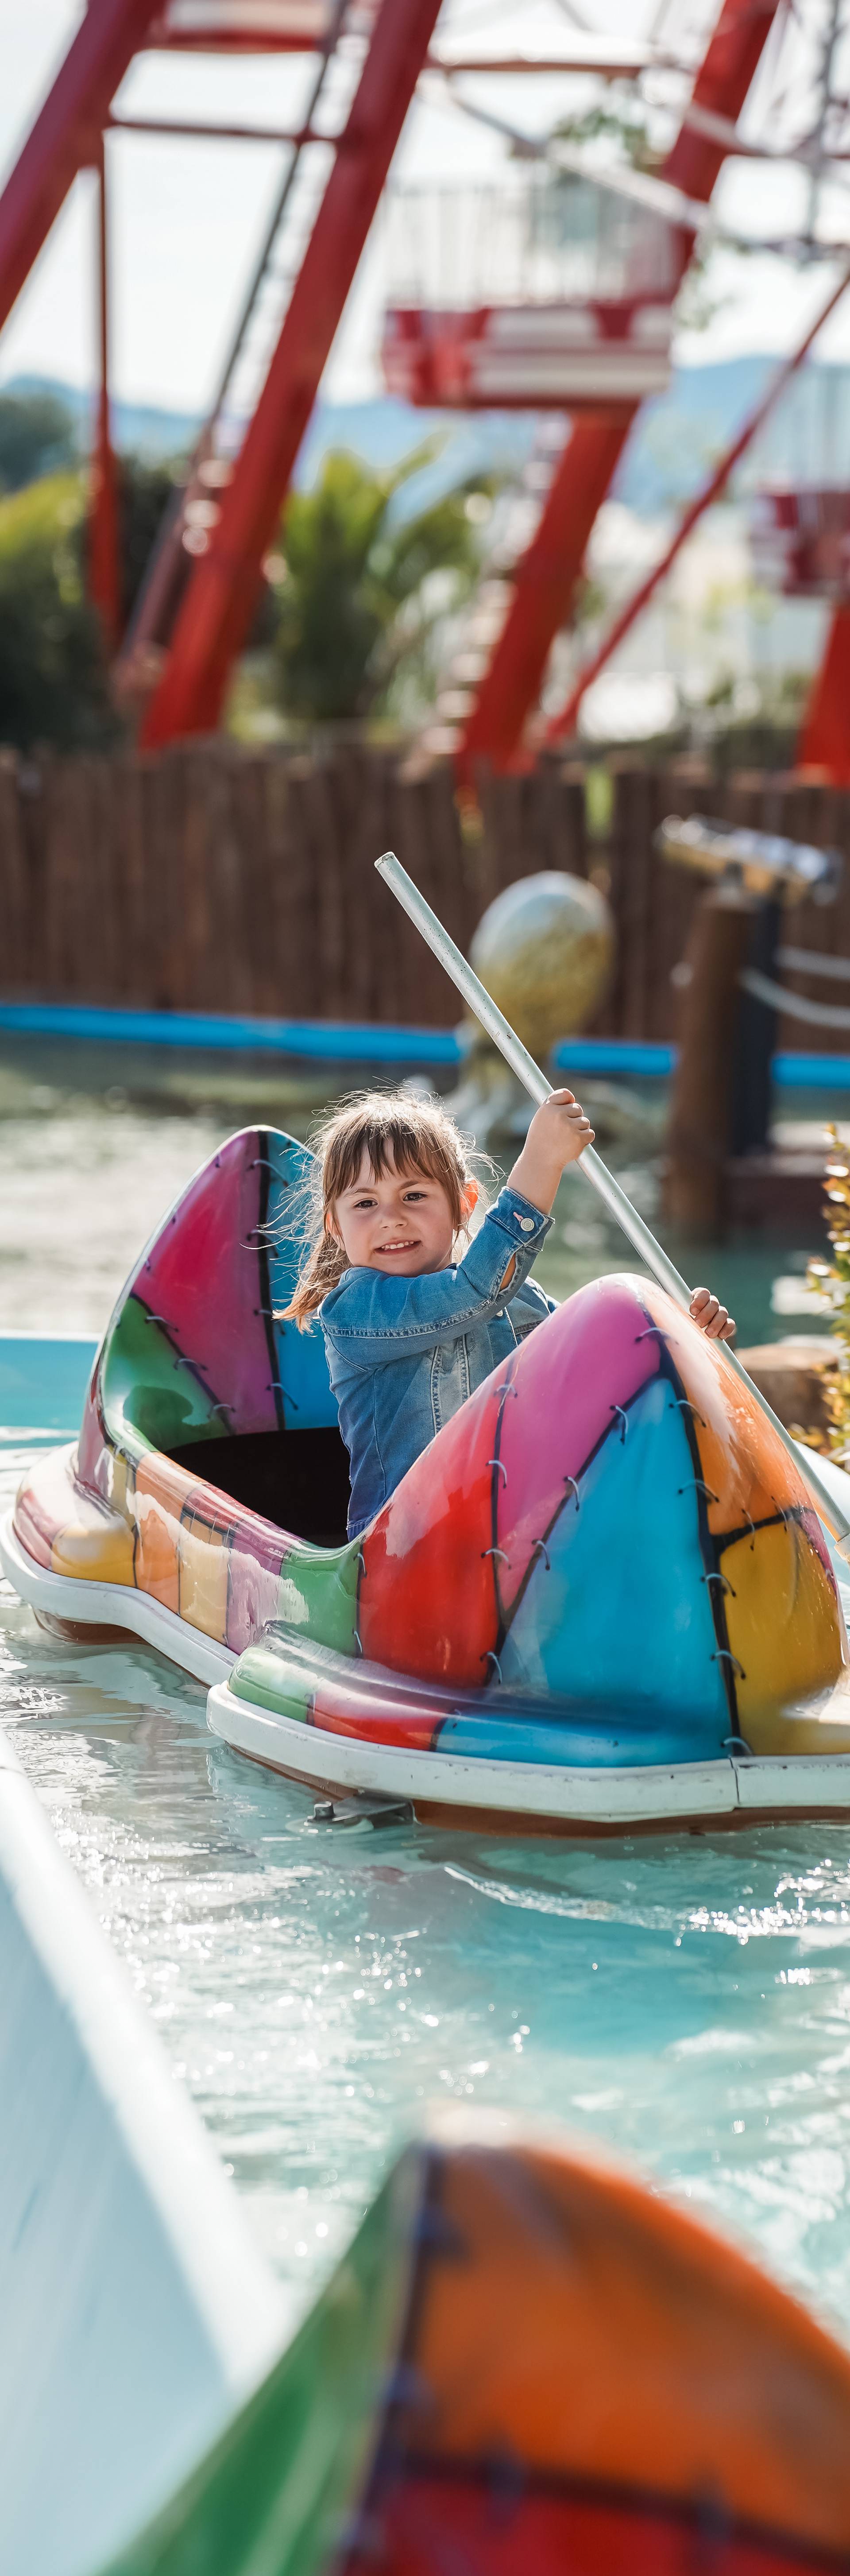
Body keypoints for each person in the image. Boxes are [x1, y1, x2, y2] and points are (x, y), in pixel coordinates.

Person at [282, 1090, 735, 1542]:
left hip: (520, 1535)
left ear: (464, 1204)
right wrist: (541, 1161)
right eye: (365, 1204)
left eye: (414, 1195)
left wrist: (679, 1335)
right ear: (336, 1227)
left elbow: (599, 1364)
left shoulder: (515, 1297)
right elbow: (476, 1291)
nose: (390, 1218)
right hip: (408, 1545)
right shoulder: (355, 1311)